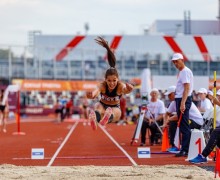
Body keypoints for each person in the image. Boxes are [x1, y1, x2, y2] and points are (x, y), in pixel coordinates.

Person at [86, 36, 134, 130]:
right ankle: (95, 117)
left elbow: (125, 90)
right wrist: (91, 95)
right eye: (109, 81)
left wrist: (129, 89)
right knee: (98, 107)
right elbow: (96, 92)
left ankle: (106, 116)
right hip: (102, 105)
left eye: (114, 81)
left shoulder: (120, 85)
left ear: (118, 79)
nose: (112, 83)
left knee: (117, 112)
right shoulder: (102, 85)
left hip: (114, 107)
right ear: (105, 80)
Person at [163, 85, 204, 152]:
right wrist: (165, 123)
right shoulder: (174, 103)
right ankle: (174, 145)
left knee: (181, 123)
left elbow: (179, 116)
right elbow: (166, 114)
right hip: (188, 120)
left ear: (174, 94)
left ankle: (183, 147)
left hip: (197, 122)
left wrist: (168, 120)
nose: (168, 97)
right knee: (174, 123)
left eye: (170, 95)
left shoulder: (183, 101)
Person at [171, 53, 194, 157]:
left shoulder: (184, 71)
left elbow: (187, 88)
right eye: (174, 62)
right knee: (183, 124)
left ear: (182, 60)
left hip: (183, 99)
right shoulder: (182, 72)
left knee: (184, 124)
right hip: (181, 98)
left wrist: (183, 103)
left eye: (177, 61)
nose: (175, 63)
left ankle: (185, 149)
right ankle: (184, 149)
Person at [189, 91, 220, 164]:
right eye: (218, 96)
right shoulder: (216, 108)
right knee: (214, 131)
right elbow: (207, 117)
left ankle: (203, 156)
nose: (218, 98)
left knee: (216, 131)